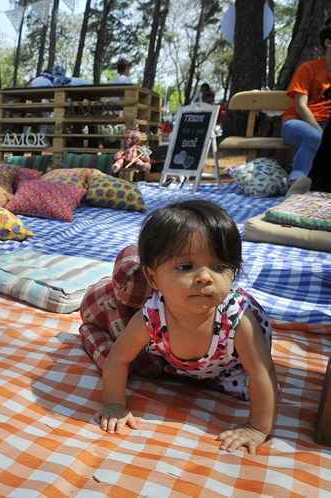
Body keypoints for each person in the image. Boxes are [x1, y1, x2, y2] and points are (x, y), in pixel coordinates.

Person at [96, 200, 277, 454]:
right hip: (184, 366)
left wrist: (258, 428)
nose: (205, 277)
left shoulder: (239, 320)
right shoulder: (151, 316)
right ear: (152, 277)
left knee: (252, 382)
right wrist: (114, 404)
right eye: (185, 267)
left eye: (219, 267)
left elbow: (262, 372)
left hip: (231, 368)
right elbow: (118, 358)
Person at [281, 20, 331, 196]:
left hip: (325, 127)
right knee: (316, 137)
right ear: (328, 42)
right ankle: (296, 187)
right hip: (296, 123)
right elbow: (301, 107)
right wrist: (322, 134)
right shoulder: (308, 69)